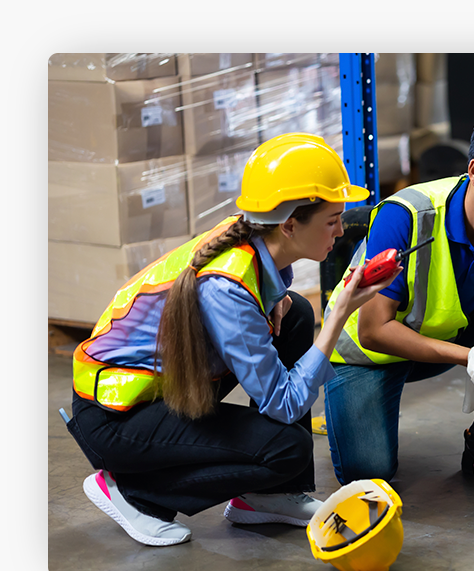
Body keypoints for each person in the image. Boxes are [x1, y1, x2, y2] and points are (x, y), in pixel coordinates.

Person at [67, 134, 401, 547]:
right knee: (287, 448)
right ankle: (135, 495)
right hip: (117, 417)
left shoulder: (254, 242)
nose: (340, 230)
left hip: (159, 388)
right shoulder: (227, 289)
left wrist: (277, 301)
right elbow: (284, 404)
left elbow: (269, 313)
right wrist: (338, 316)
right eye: (332, 220)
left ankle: (269, 496)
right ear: (290, 224)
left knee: (294, 312)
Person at [322, 107, 474, 484]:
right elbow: (372, 331)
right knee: (368, 472)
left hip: (446, 338)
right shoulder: (407, 217)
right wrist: (472, 358)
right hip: (369, 354)